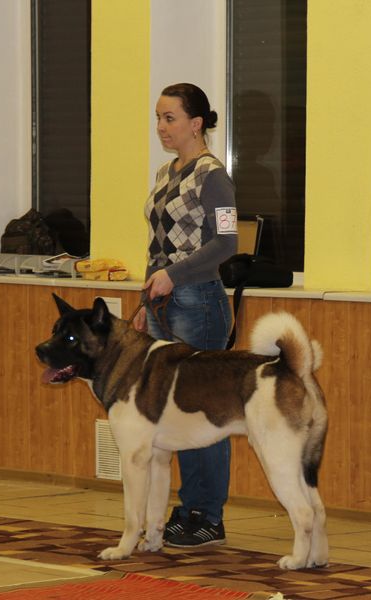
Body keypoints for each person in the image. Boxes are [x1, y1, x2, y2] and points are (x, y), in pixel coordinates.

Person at [133, 83, 236, 547]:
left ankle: (207, 513)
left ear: (196, 123)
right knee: (173, 412)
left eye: (170, 118)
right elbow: (157, 246)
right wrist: (144, 302)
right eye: (158, 117)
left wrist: (175, 274)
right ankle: (186, 507)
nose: (161, 127)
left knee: (204, 413)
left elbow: (226, 244)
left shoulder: (213, 176)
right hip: (162, 302)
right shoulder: (164, 172)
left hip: (199, 302)